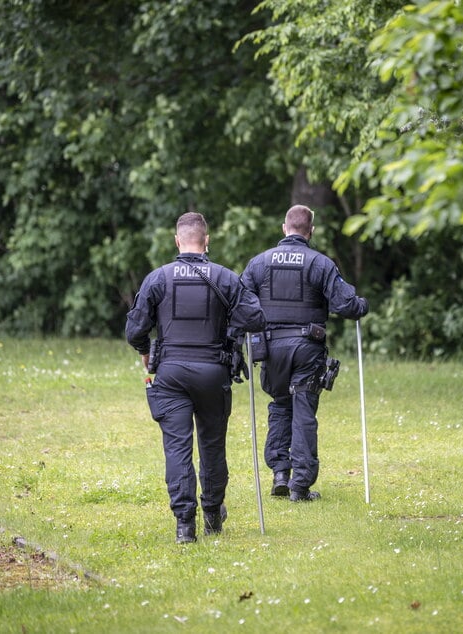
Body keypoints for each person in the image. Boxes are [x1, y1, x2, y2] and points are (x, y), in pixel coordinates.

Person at [126, 212, 265, 543]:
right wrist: (230, 328)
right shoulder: (226, 278)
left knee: (177, 448)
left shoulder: (158, 279)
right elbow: (255, 317)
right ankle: (213, 514)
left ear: (177, 240)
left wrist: (147, 349)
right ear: (207, 240)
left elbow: (134, 330)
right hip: (213, 373)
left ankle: (184, 525)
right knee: (212, 446)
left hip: (171, 374)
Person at [241, 204, 369, 502]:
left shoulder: (259, 263)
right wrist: (362, 305)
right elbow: (346, 306)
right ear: (310, 231)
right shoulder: (320, 263)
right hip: (306, 348)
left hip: (271, 349)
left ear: (284, 228)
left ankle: (280, 473)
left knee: (280, 405)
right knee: (303, 412)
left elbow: (240, 302)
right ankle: (300, 486)